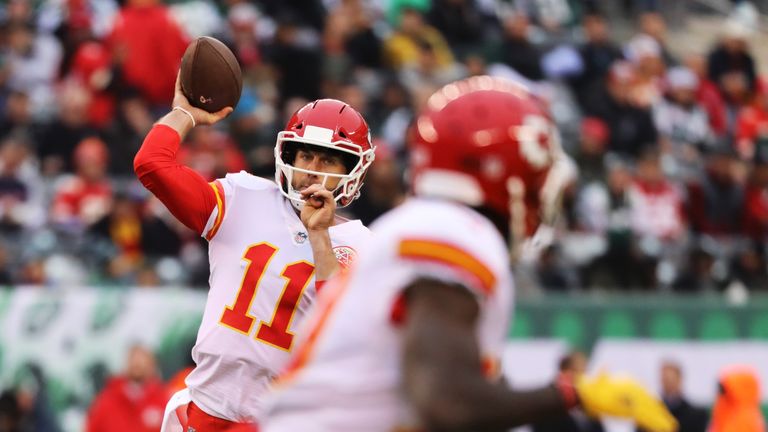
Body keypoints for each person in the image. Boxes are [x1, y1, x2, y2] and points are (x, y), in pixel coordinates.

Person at [261, 76, 677, 432]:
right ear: (500, 169)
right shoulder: (454, 232)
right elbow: (448, 402)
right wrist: (574, 392)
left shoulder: (429, 224)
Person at [134, 73, 375, 431]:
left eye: (329, 160)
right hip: (207, 408)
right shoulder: (243, 197)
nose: (312, 171)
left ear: (352, 171)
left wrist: (319, 235)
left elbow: (340, 326)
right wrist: (183, 114)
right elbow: (152, 164)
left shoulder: (363, 245)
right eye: (306, 155)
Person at [86, 345, 168, 432]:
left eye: (141, 360)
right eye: (133, 359)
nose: (137, 364)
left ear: (152, 365)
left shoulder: (163, 399)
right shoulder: (106, 401)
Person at [637, 361, 708, 432]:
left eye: (670, 379)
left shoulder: (696, 416)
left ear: (679, 380)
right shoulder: (648, 415)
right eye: (664, 379)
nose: (667, 384)